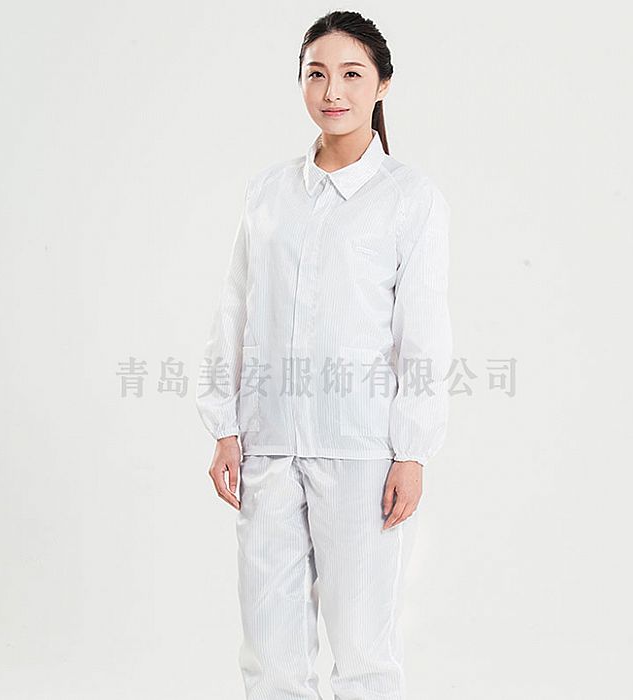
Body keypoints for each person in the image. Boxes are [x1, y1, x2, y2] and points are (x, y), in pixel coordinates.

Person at [196, 10, 452, 700]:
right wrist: (225, 426)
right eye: (316, 74)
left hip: (362, 451)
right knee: (270, 655)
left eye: (351, 74)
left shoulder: (409, 199)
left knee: (364, 652)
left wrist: (412, 451)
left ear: (382, 85)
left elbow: (423, 333)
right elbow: (236, 308)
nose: (332, 91)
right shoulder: (269, 193)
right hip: (269, 447)